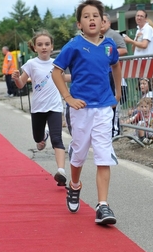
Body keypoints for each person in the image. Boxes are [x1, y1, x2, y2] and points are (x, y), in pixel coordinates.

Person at [52, 0, 122, 225]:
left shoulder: (110, 45)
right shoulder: (73, 45)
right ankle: (74, 185)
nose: (91, 19)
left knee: (103, 154)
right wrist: (68, 98)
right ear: (79, 23)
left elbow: (116, 66)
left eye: (96, 16)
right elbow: (56, 72)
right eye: (86, 16)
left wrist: (117, 93)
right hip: (81, 109)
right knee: (79, 153)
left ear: (103, 22)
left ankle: (102, 206)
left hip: (104, 108)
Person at [12, 30, 71, 187]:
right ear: (35, 47)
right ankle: (42, 136)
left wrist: (83, 75)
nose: (44, 47)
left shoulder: (57, 63)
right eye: (40, 45)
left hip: (55, 106)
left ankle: (61, 171)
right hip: (38, 108)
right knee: (37, 139)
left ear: (52, 47)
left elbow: (64, 78)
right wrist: (17, 79)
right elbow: (21, 84)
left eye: (47, 44)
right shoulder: (31, 64)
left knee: (57, 138)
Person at [101, 13, 128, 137]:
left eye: (104, 21)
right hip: (101, 73)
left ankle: (114, 130)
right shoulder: (97, 36)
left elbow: (124, 49)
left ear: (109, 22)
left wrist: (109, 53)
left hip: (111, 73)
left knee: (113, 101)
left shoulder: (113, 35)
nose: (101, 23)